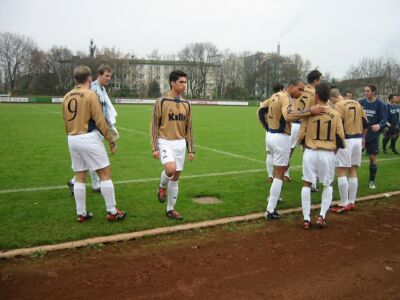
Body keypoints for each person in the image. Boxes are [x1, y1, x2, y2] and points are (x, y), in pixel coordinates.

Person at [62, 65, 126, 222]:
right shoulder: (91, 95)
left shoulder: (67, 96)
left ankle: (81, 213)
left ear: (76, 79)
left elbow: (65, 121)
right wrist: (110, 139)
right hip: (89, 137)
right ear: (89, 79)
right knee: (105, 174)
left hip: (72, 138)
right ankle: (112, 211)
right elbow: (99, 120)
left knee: (80, 176)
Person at [261, 79, 325, 220]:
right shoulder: (286, 98)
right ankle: (270, 209)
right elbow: (289, 115)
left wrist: (267, 128)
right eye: (300, 89)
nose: (302, 93)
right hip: (281, 137)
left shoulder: (276, 95)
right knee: (280, 173)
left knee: (278, 170)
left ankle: (273, 199)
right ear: (291, 87)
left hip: (271, 135)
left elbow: (260, 109)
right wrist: (310, 111)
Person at [297, 83, 345, 229]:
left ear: (316, 96)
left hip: (310, 152)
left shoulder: (309, 113)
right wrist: (334, 150)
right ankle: (322, 216)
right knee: (328, 184)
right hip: (327, 153)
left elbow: (301, 135)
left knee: (307, 183)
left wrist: (303, 145)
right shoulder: (336, 114)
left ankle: (306, 219)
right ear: (328, 96)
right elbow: (340, 137)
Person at [67, 64, 119, 194]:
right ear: (99, 75)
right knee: (97, 160)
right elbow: (95, 112)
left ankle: (88, 184)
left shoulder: (101, 88)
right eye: (106, 76)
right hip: (92, 129)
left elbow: (103, 109)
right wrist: (106, 130)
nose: (108, 79)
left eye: (110, 76)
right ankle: (83, 183)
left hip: (92, 129)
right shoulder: (93, 88)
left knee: (89, 158)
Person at [150, 70, 195, 220]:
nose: (184, 85)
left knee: (176, 177)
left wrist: (191, 149)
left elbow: (189, 128)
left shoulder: (187, 104)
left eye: (185, 82)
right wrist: (155, 147)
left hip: (180, 143)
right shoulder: (161, 101)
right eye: (181, 82)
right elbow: (154, 126)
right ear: (172, 83)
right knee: (170, 169)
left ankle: (170, 209)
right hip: (165, 141)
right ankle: (162, 186)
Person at [329, 89, 368, 213]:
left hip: (345, 140)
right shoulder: (357, 103)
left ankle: (344, 203)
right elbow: (365, 123)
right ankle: (351, 202)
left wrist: (336, 143)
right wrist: (363, 138)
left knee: (340, 170)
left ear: (333, 98)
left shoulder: (338, 105)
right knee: (353, 170)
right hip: (357, 139)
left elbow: (337, 124)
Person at [293, 70, 323, 191]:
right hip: (306, 124)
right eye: (319, 79)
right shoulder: (315, 93)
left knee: (286, 155)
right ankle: (312, 184)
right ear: (316, 80)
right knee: (310, 153)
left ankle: (280, 178)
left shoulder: (299, 90)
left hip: (293, 122)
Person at [359, 85, 387, 189]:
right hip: (360, 135)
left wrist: (379, 125)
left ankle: (372, 180)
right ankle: (353, 180)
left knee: (372, 158)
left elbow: (384, 118)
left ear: (373, 92)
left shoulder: (380, 104)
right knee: (354, 159)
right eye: (364, 91)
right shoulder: (361, 103)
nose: (365, 93)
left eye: (368, 91)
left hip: (373, 136)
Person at [258, 83, 284, 182]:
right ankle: (285, 174)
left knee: (269, 153)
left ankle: (270, 176)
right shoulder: (284, 100)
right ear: (282, 89)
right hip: (281, 131)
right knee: (283, 154)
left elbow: (259, 112)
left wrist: (265, 125)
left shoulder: (269, 100)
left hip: (270, 130)